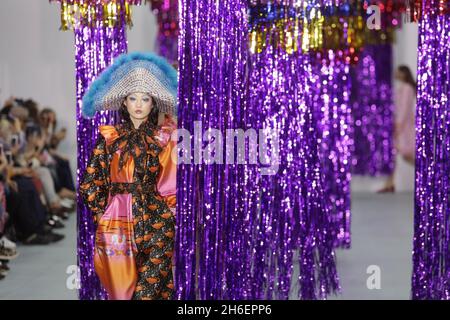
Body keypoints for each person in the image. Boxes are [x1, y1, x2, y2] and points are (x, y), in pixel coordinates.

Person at [79, 52, 177, 300]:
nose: (139, 104)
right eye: (133, 98)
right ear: (124, 102)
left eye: (145, 98)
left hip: (158, 223)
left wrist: (169, 217)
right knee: (124, 295)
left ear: (153, 103)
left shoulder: (164, 138)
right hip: (116, 227)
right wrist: (104, 215)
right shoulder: (109, 138)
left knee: (152, 291)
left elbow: (172, 185)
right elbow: (91, 183)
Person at [378, 65, 416, 193]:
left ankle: (428, 173)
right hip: (401, 124)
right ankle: (390, 183)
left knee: (407, 154)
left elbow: (404, 108)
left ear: (404, 73)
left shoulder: (407, 89)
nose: (396, 73)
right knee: (394, 154)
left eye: (398, 72)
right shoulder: (403, 88)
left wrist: (399, 125)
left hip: (404, 126)